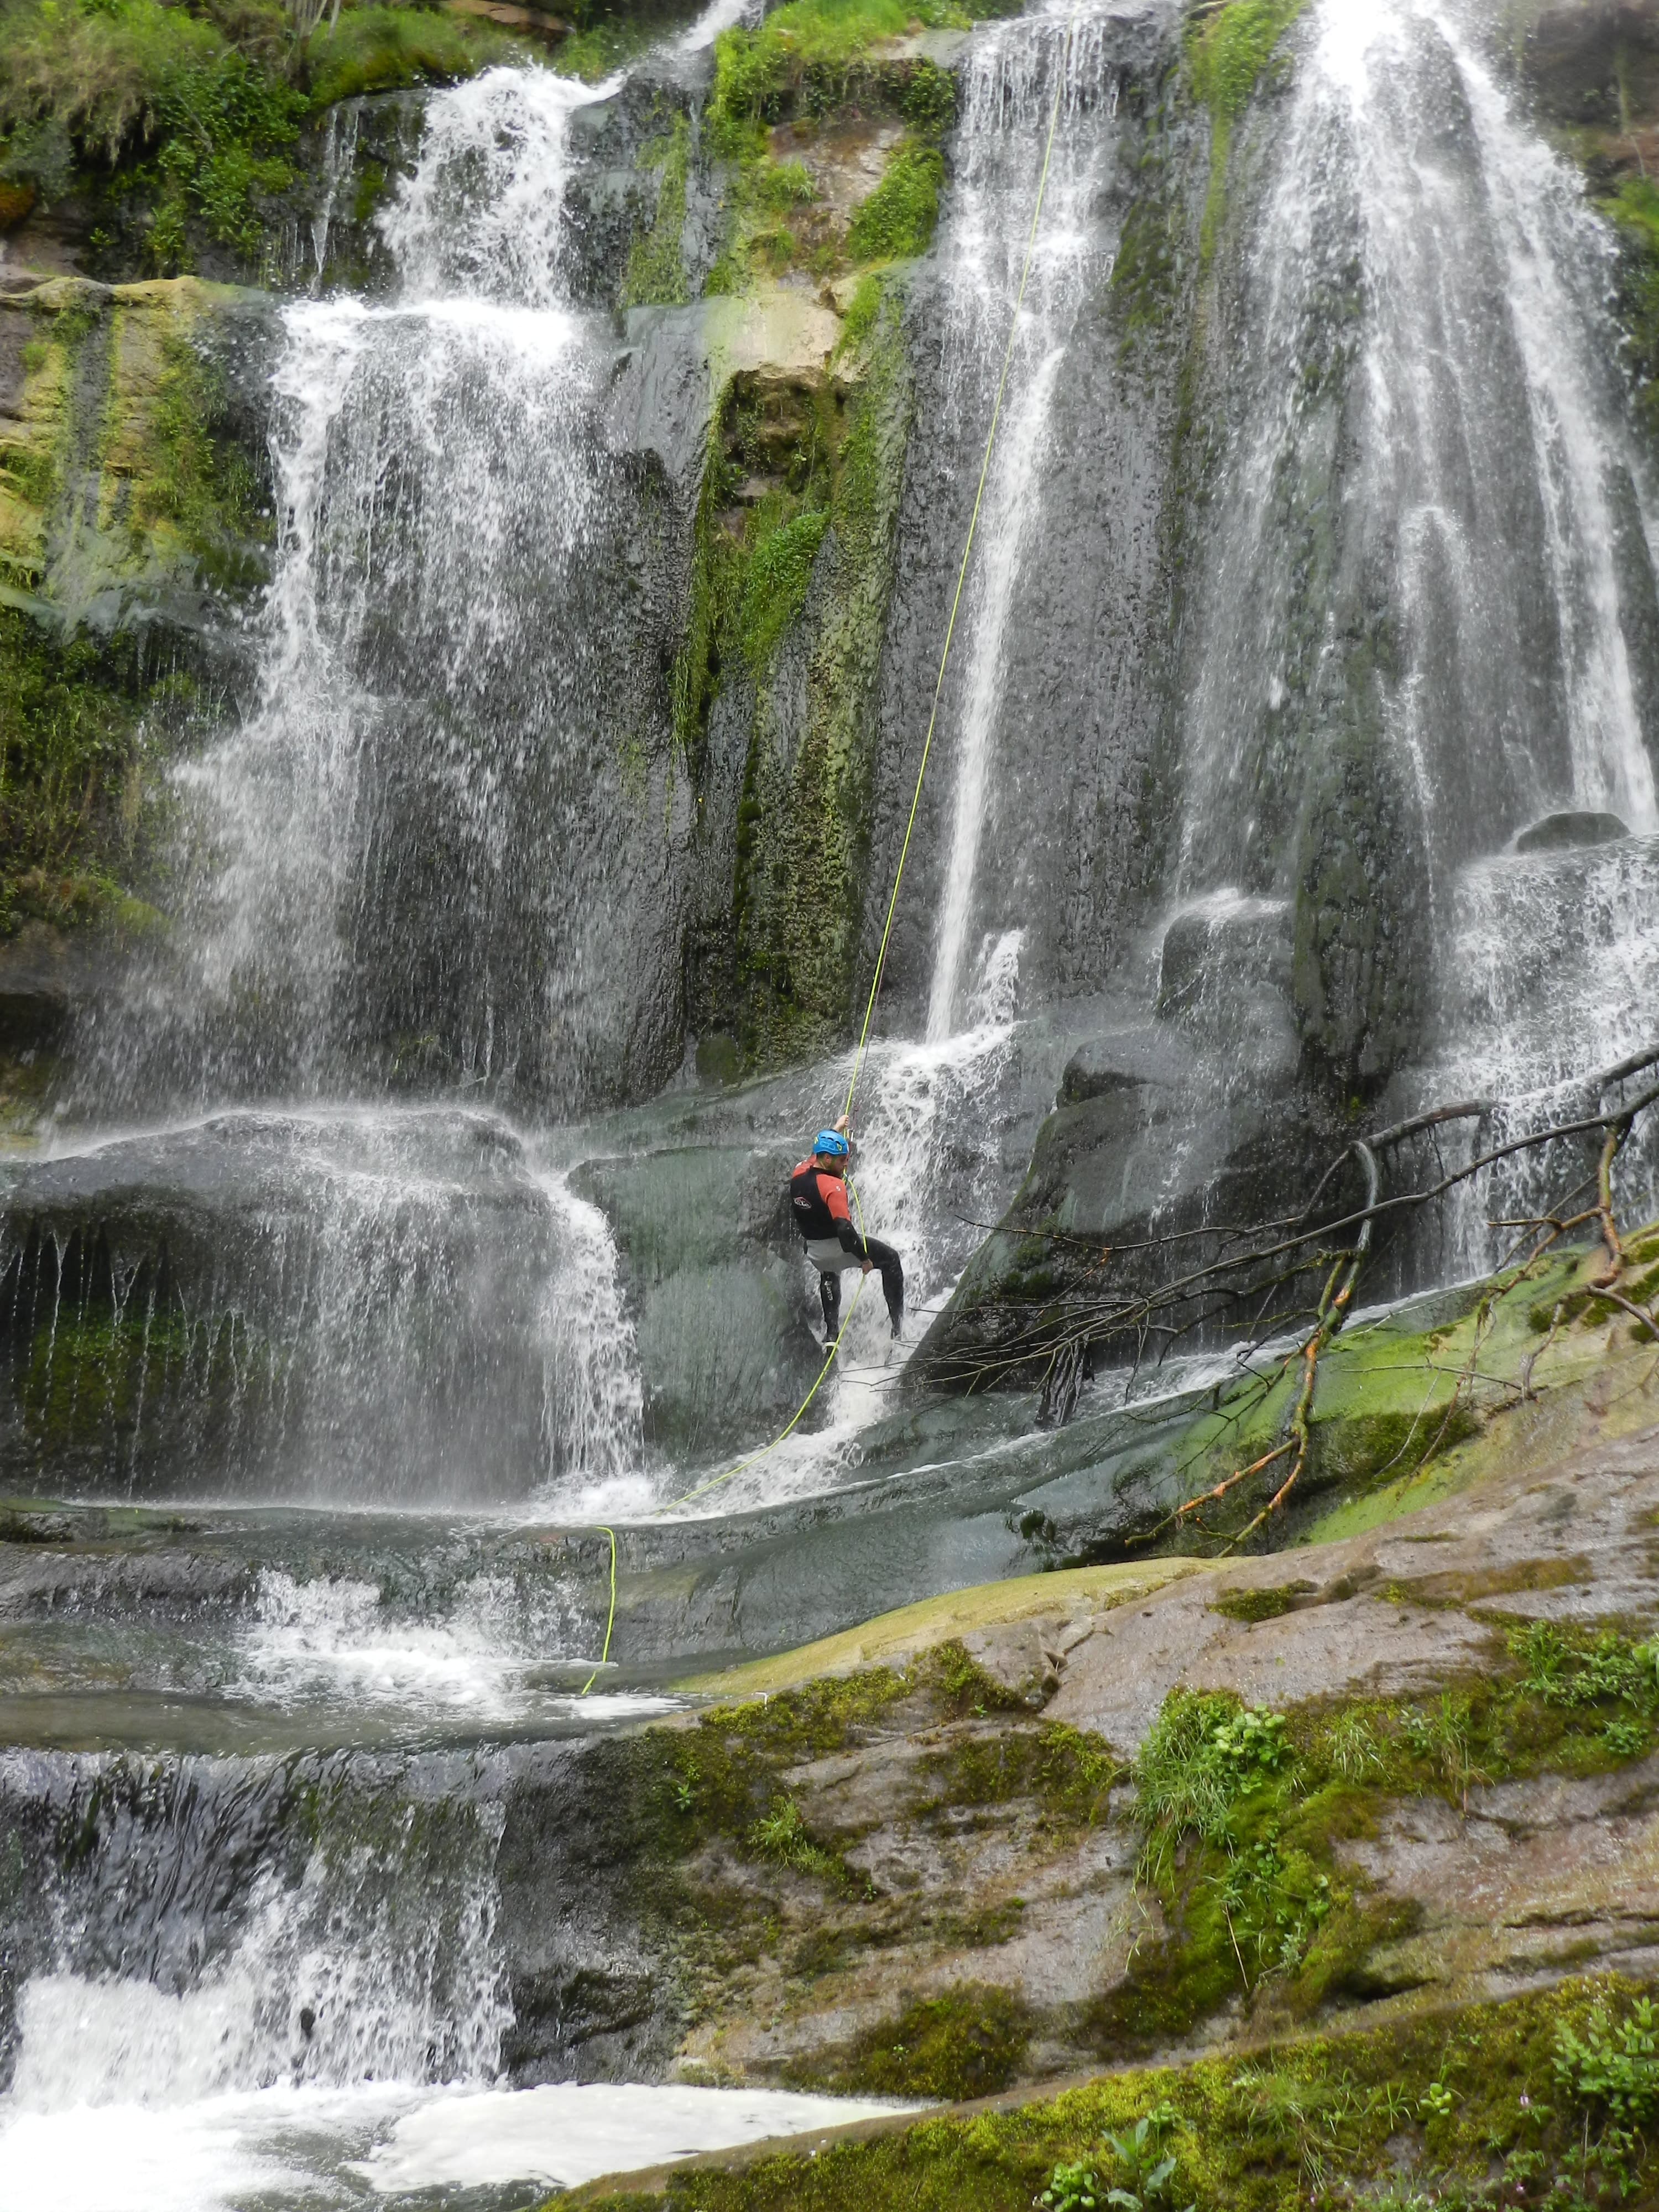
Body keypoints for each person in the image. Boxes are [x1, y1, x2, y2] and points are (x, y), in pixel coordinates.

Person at [788, 1115, 905, 1343]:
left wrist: (837, 1128)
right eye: (843, 1160)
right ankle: (898, 1329)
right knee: (891, 1259)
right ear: (829, 1160)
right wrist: (864, 1260)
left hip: (816, 1254)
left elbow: (816, 1155)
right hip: (840, 1250)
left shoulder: (799, 1171)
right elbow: (845, 1231)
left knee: (830, 1272)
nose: (846, 1164)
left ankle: (831, 1334)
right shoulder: (834, 1186)